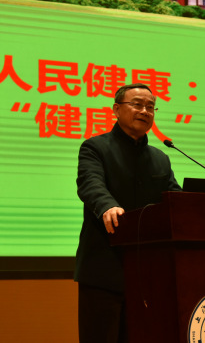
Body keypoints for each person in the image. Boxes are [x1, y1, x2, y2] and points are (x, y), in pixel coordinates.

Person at [75, 83, 182, 343]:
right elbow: (90, 183)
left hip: (148, 277)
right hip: (103, 271)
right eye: (137, 104)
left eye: (150, 107)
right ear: (116, 109)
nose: (145, 111)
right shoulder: (95, 147)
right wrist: (107, 205)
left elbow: (174, 200)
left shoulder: (160, 158)